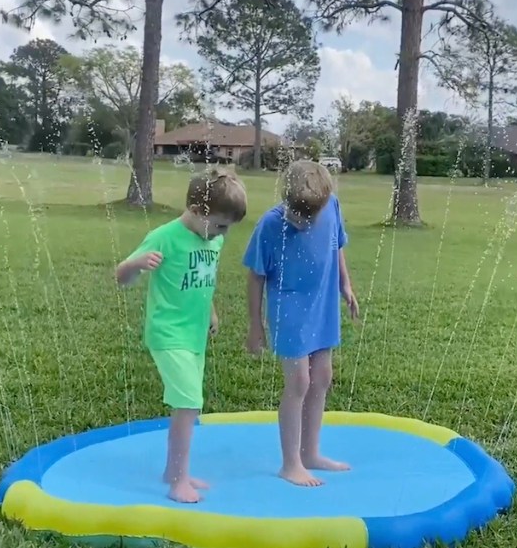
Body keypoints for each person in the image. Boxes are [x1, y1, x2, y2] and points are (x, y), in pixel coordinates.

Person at [115, 166, 248, 503]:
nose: (222, 234)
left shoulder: (212, 239)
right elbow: (121, 276)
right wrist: (137, 264)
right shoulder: (164, 236)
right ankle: (178, 481)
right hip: (167, 332)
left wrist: (211, 309)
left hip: (194, 335)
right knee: (188, 402)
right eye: (219, 225)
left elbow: (204, 281)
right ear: (197, 211)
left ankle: (172, 471)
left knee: (188, 403)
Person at [242, 159, 359, 487]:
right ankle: (290, 463)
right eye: (297, 214)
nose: (303, 221)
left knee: (322, 377)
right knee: (299, 383)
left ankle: (311, 453)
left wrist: (345, 285)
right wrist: (255, 325)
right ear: (286, 199)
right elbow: (255, 277)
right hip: (289, 310)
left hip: (323, 307)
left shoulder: (331, 205)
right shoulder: (270, 224)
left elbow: (337, 246)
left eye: (310, 215)